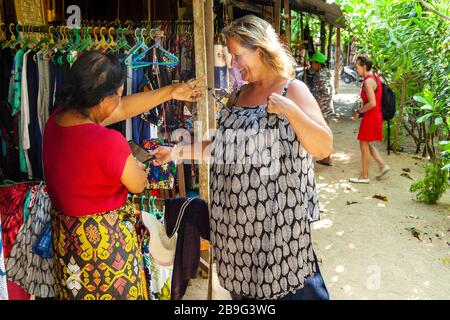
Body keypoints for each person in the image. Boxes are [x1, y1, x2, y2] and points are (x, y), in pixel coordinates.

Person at [150, 15, 333, 300]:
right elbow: (221, 147)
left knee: (291, 290)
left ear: (260, 50)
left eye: (237, 57)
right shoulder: (238, 96)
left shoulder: (293, 90)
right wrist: (175, 152)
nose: (234, 65)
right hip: (234, 231)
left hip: (277, 229)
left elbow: (323, 148)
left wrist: (290, 111)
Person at [42, 51, 204, 300]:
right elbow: (137, 184)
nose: (120, 102)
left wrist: (171, 91)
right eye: (117, 96)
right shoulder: (108, 142)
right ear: (100, 100)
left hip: (68, 247)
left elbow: (123, 109)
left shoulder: (57, 120)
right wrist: (136, 165)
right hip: (104, 250)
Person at [350, 54, 390, 184]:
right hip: (374, 115)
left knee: (363, 144)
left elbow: (372, 103)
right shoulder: (375, 78)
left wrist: (359, 111)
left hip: (371, 116)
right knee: (365, 143)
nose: (356, 69)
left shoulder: (368, 81)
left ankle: (365, 176)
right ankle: (382, 166)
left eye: (357, 67)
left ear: (364, 66)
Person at [304, 51, 334, 165]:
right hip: (325, 107)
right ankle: (326, 156)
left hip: (323, 108)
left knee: (323, 132)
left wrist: (314, 101)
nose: (311, 65)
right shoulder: (324, 72)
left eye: (312, 63)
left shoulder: (320, 75)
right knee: (324, 131)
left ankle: (326, 156)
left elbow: (326, 92)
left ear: (318, 63)